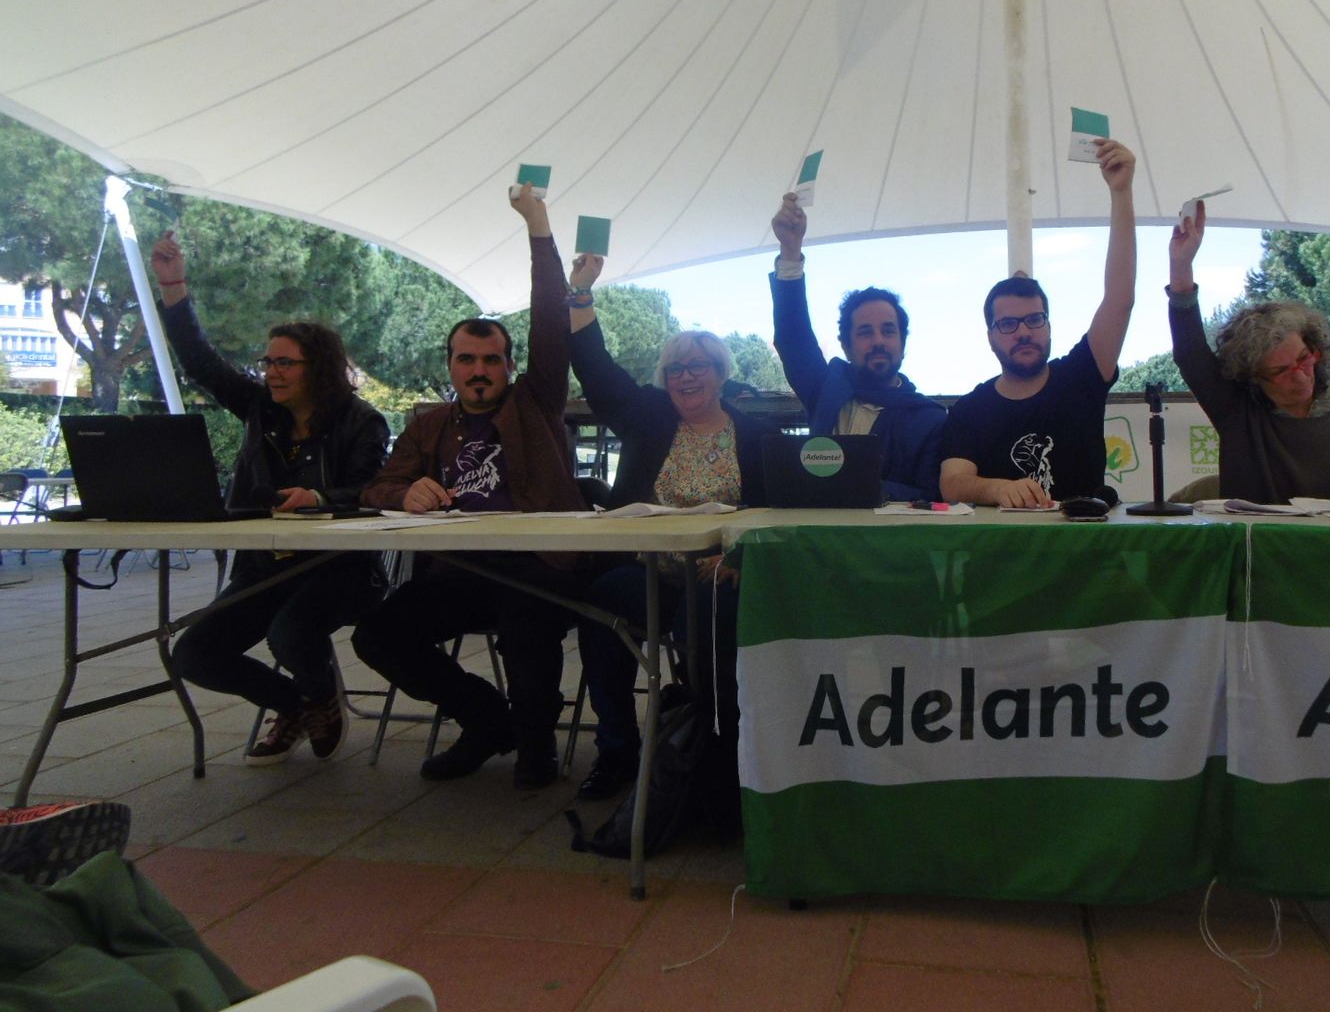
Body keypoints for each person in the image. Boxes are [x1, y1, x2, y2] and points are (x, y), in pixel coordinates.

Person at [352, 183, 588, 789]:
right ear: (451, 365)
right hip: (458, 571)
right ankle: (487, 719)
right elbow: (377, 487)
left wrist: (538, 229)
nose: (479, 371)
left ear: (509, 366)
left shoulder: (537, 403)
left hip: (535, 565)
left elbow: (549, 323)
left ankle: (536, 739)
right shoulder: (429, 424)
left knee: (526, 619)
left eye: (491, 360)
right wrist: (403, 495)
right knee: (377, 634)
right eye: (467, 360)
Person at [150, 231, 390, 764]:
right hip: (264, 566)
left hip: (338, 569)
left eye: (285, 364)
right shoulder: (260, 408)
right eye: (268, 362)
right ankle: (303, 705)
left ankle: (311, 701)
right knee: (194, 652)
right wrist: (174, 288)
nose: (271, 372)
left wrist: (321, 496)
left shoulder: (362, 420)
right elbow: (201, 363)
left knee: (289, 633)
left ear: (318, 368)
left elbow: (373, 491)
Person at [567, 250, 777, 803]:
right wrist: (581, 295)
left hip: (716, 577)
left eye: (698, 367)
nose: (686, 377)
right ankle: (617, 748)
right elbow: (598, 372)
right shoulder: (651, 417)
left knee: (709, 617)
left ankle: (715, 751)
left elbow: (771, 511)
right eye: (675, 370)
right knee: (599, 607)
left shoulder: (753, 435)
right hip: (647, 571)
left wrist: (737, 558)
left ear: (719, 374)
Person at [940, 140, 1138, 507]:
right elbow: (952, 483)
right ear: (990, 336)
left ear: (1048, 324)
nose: (1024, 332)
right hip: (1001, 557)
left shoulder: (1082, 375)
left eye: (1034, 319)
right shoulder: (970, 409)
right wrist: (997, 488)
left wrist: (1121, 193)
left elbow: (1120, 300)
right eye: (1008, 324)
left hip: (1087, 553)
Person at [1167, 203, 1330, 503]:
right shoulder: (1240, 414)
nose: (1301, 374)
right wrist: (1181, 265)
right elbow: (1190, 354)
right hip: (1257, 549)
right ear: (1254, 378)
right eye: (1280, 371)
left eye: (1304, 358)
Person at [769, 195, 946, 501]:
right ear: (847, 347)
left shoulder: (929, 419)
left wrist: (854, 485)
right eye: (865, 332)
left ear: (903, 344)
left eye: (888, 331)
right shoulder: (827, 387)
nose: (878, 340)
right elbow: (794, 339)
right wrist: (790, 251)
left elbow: (933, 494)